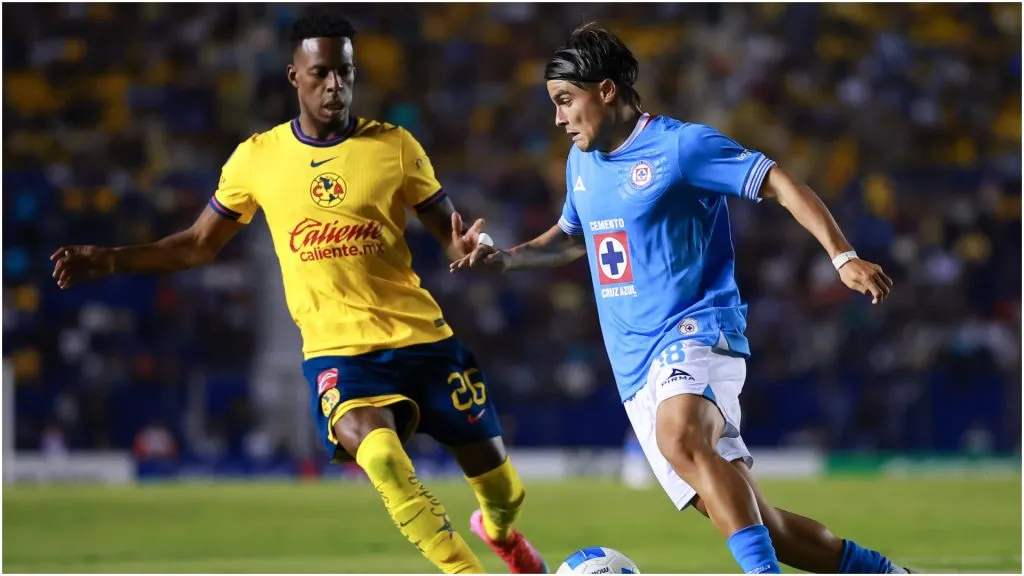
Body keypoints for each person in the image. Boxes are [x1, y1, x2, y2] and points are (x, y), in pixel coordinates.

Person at [50, 13, 547, 575]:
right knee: (381, 455)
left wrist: (468, 250)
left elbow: (451, 239)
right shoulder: (258, 157)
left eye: (346, 72)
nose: (335, 85)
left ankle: (501, 535)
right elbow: (196, 245)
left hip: (425, 342)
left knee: (504, 489)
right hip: (339, 355)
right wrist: (113, 259)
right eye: (321, 73)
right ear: (294, 76)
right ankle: (466, 570)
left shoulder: (395, 147)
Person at [451, 23, 910, 575]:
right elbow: (574, 238)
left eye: (565, 100)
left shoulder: (681, 146)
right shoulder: (582, 165)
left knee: (681, 438)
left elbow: (780, 182)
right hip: (634, 367)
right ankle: (884, 573)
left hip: (697, 332)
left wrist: (842, 257)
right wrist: (505, 258)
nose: (558, 118)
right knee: (765, 523)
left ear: (606, 90)